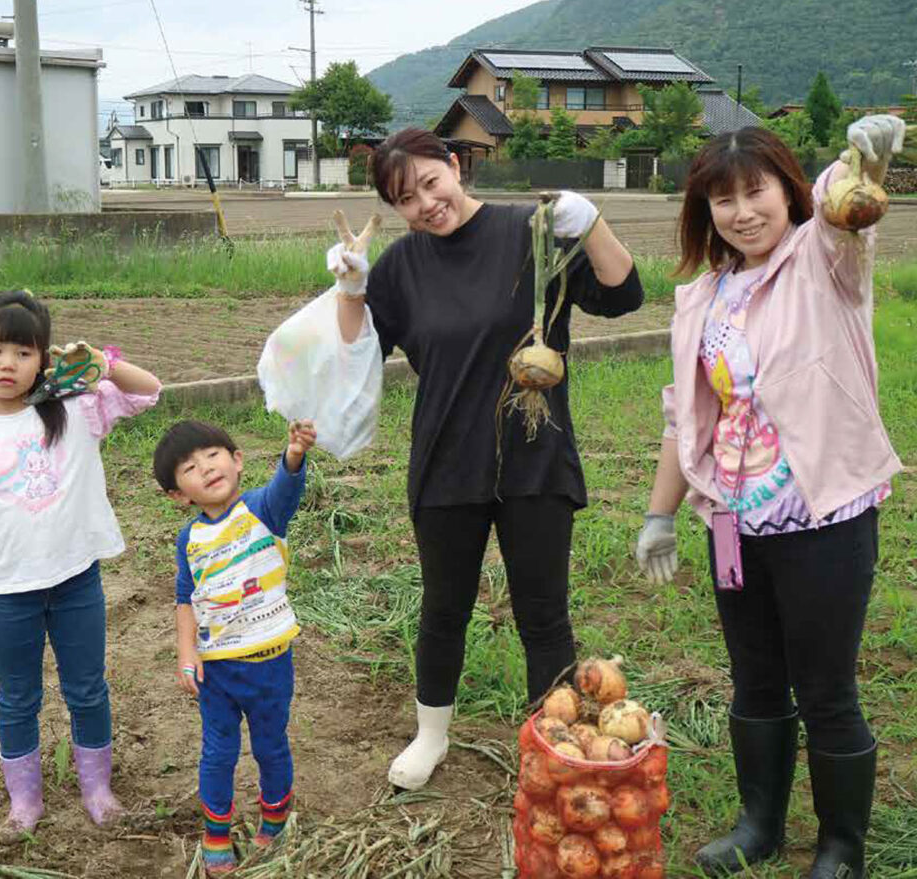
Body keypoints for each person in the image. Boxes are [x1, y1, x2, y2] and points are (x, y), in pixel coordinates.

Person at [329, 127, 644, 791]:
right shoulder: (403, 267)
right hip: (447, 459)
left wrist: (592, 226)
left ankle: (552, 745)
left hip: (535, 455)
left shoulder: (529, 232)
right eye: (405, 199)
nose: (425, 203)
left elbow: (622, 295)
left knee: (544, 615)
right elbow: (354, 356)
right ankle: (431, 735)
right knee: (444, 607)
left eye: (430, 183)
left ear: (453, 165)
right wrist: (352, 291)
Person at [635, 116, 906, 878]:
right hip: (733, 523)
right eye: (723, 199)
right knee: (754, 679)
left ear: (786, 191)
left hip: (824, 518)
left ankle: (840, 847)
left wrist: (864, 164)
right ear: (704, 210)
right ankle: (758, 824)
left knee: (826, 687)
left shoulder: (824, 262)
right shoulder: (706, 297)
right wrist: (661, 514)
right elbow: (684, 417)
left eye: (756, 191)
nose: (743, 211)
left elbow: (844, 213)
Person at [0, 290, 162, 837]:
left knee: (88, 689)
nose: (9, 364)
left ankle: (97, 787)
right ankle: (24, 801)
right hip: (9, 592)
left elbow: (148, 392)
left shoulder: (77, 410)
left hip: (77, 579)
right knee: (17, 698)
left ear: (45, 360)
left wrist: (104, 364)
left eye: (25, 353)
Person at [153, 417, 317, 878]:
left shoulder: (262, 510)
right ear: (178, 495)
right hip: (216, 670)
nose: (205, 468)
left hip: (268, 664)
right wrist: (186, 654)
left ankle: (275, 818)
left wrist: (294, 454)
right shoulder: (190, 539)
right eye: (189, 467)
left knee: (270, 746)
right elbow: (185, 599)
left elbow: (286, 487)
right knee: (218, 752)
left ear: (237, 460)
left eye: (212, 455)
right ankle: (216, 834)